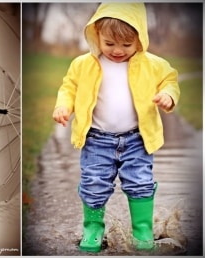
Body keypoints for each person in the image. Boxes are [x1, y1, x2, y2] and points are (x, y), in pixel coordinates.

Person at [52, 3, 180, 253]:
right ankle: (93, 228)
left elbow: (170, 79)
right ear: (96, 34)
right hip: (97, 140)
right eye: (109, 44)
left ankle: (142, 230)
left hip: (137, 139)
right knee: (94, 183)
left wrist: (167, 94)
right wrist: (63, 106)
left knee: (140, 182)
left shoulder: (152, 64)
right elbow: (69, 88)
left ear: (140, 38)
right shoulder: (83, 64)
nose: (118, 51)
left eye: (127, 44)